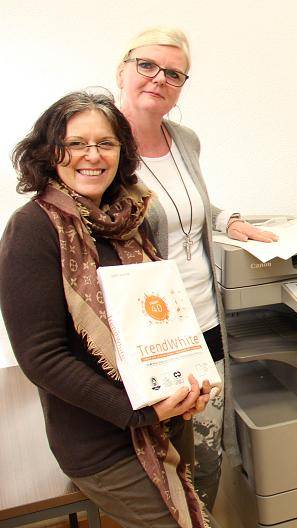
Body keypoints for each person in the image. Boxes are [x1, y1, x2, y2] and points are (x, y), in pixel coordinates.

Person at [0, 91, 214, 527]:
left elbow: (159, 315)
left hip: (166, 414)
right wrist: (138, 412)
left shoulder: (129, 218)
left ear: (122, 152)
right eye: (76, 143)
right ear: (48, 152)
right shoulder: (33, 230)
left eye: (106, 143)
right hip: (103, 438)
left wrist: (192, 380)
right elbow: (41, 357)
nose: (92, 156)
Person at [116, 26, 277, 510]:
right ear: (122, 69)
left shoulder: (184, 139)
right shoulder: (103, 146)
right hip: (151, 334)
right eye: (147, 66)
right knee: (159, 467)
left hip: (204, 323)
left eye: (173, 73)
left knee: (205, 456)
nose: (158, 79)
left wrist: (229, 219)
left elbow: (189, 205)